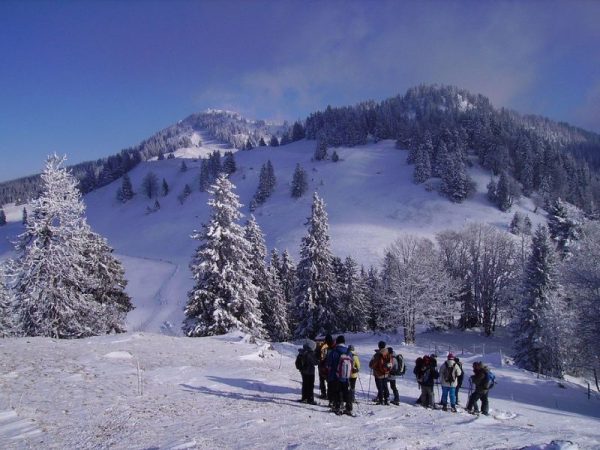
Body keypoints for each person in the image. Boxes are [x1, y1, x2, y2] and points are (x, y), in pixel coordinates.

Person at [326, 335, 354, 416]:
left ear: (337, 342)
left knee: (337, 392)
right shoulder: (348, 352)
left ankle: (337, 407)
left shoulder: (333, 351)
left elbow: (329, 364)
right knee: (346, 391)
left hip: (335, 376)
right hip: (346, 376)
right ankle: (348, 408)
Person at [369, 341, 392, 405]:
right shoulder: (389, 353)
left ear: (379, 346)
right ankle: (387, 399)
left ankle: (381, 400)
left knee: (380, 388)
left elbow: (372, 364)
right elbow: (391, 363)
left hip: (378, 374)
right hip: (386, 373)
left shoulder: (377, 354)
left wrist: (372, 366)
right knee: (385, 386)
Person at [317, 334, 334, 400]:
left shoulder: (323, 346)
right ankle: (330, 394)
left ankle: (323, 393)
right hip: (331, 366)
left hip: (322, 365)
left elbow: (320, 356)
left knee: (322, 380)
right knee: (329, 381)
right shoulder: (333, 346)